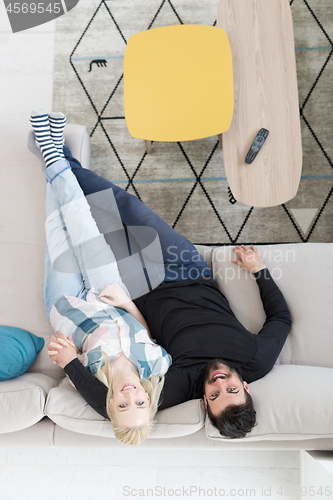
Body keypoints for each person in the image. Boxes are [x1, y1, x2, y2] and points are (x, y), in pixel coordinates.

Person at [30, 111, 292, 439]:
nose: (220, 382)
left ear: (205, 403)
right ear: (247, 388)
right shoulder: (259, 359)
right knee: (124, 205)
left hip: (139, 287)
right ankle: (55, 153)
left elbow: (107, 404)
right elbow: (281, 318)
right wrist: (260, 270)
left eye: (214, 395)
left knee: (99, 214)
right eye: (232, 389)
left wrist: (71, 364)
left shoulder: (180, 385)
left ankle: (53, 152)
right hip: (190, 270)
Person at [29, 110, 172, 446]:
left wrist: (65, 351)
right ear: (149, 401)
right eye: (139, 403)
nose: (130, 395)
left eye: (123, 405)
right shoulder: (157, 366)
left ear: (111, 405)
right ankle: (50, 147)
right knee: (81, 220)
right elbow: (147, 333)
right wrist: (127, 303)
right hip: (109, 293)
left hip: (67, 307)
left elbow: (67, 354)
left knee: (58, 228)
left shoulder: (94, 376)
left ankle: (50, 147)